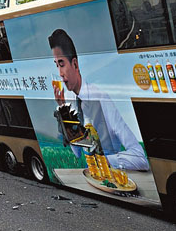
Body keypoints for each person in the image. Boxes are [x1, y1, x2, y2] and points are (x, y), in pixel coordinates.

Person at [50, 28, 149, 171]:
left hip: (113, 177)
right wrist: (63, 110)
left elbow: (140, 158)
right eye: (56, 65)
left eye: (62, 64)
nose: (60, 73)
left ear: (75, 64)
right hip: (90, 179)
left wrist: (105, 161)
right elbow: (77, 152)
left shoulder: (101, 98)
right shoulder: (71, 100)